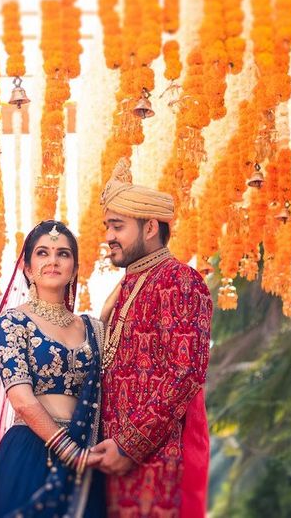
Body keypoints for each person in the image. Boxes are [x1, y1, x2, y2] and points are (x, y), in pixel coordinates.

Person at [0, 220, 108, 518]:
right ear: (27, 268)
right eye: (43, 253)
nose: (53, 260)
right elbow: (23, 402)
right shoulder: (12, 323)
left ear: (75, 268)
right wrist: (71, 453)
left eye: (63, 254)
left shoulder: (95, 328)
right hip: (30, 452)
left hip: (86, 458)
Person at [91, 158, 213, 517]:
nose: (108, 237)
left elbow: (186, 374)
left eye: (117, 226)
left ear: (150, 228)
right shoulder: (124, 288)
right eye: (107, 226)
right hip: (112, 467)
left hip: (159, 467)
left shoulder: (181, 281)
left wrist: (129, 447)